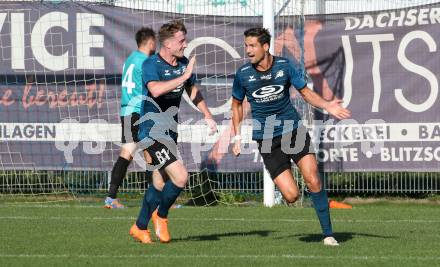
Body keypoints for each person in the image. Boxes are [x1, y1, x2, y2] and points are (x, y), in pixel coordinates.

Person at [231, 28, 351, 246]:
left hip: (292, 129)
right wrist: (236, 137)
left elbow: (305, 93)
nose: (247, 51)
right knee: (291, 196)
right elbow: (236, 105)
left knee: (313, 178)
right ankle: (298, 191)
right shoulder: (243, 74)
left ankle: (328, 235)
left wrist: (327, 105)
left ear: (265, 47)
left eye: (252, 46)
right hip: (266, 137)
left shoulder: (284, 66)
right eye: (246, 46)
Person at [129, 20, 217, 244]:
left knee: (159, 183)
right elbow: (156, 89)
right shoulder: (151, 64)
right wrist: (184, 77)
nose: (185, 44)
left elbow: (193, 91)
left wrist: (207, 114)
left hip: (169, 131)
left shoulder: (182, 63)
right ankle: (161, 215)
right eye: (181, 41)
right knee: (181, 176)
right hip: (150, 130)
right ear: (167, 44)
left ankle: (140, 227)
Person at [104, 27, 157, 209]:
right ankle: (157, 198)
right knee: (150, 153)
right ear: (151, 42)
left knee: (128, 152)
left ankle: (111, 197)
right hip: (138, 111)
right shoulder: (145, 62)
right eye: (155, 42)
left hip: (126, 111)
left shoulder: (130, 59)